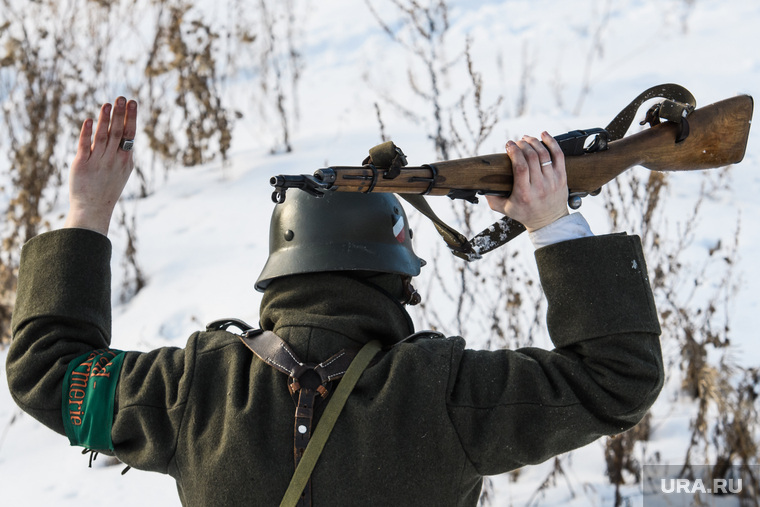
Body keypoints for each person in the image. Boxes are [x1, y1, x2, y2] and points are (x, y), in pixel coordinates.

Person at [7, 96, 663, 506]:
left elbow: (46, 374)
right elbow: (616, 377)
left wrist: (87, 210)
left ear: (278, 274)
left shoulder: (195, 389)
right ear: (397, 279)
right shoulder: (441, 392)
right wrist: (552, 221)